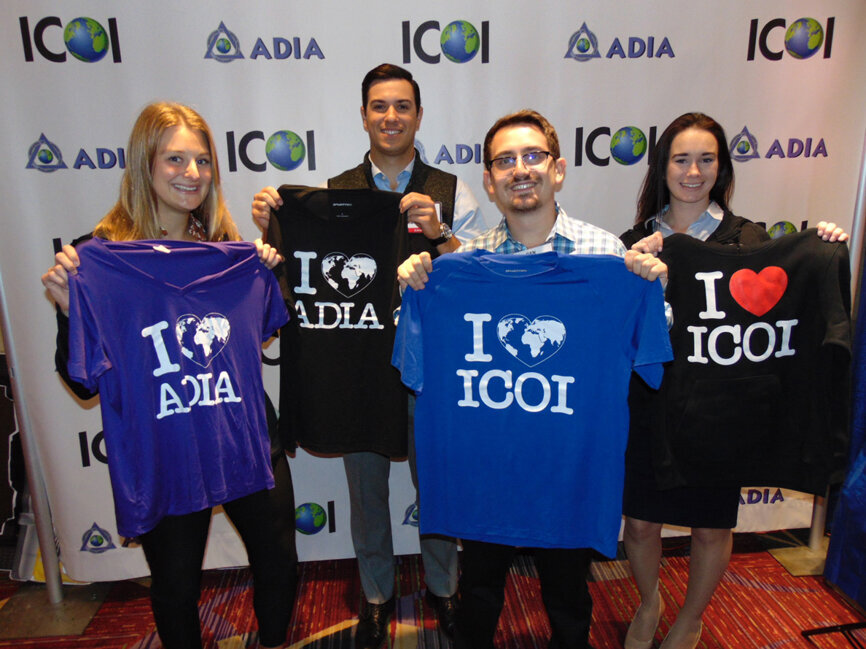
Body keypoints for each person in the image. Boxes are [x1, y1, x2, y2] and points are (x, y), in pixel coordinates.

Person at [398, 109, 667, 649]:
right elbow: (415, 358)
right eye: (505, 161)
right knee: (479, 595)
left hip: (569, 472)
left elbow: (650, 350)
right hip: (488, 471)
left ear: (558, 169)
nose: (520, 169)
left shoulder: (607, 256)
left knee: (569, 602)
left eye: (533, 156)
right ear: (489, 181)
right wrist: (416, 286)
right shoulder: (460, 268)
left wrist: (651, 288)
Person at [41, 102, 296, 649]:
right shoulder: (97, 258)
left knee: (279, 557)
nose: (192, 173)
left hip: (244, 432)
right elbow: (83, 382)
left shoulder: (227, 248)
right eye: (175, 159)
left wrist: (270, 273)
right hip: (167, 444)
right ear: (144, 163)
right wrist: (69, 312)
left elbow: (263, 328)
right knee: (177, 585)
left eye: (202, 161)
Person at [251, 64, 490, 647]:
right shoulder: (333, 191)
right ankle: (377, 595)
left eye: (402, 106)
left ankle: (444, 588)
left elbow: (480, 274)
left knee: (437, 487)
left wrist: (442, 234)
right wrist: (275, 226)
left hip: (433, 368)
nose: (391, 116)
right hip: (355, 365)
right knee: (365, 494)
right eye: (379, 106)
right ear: (363, 116)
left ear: (419, 115)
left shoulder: (451, 190)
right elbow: (305, 271)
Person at [618, 111, 847, 649]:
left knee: (711, 526)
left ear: (721, 168)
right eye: (681, 160)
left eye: (706, 159)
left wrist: (825, 244)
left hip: (718, 413)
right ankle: (649, 602)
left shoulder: (751, 240)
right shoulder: (633, 240)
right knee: (641, 522)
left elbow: (787, 306)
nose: (693, 172)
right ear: (662, 167)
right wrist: (632, 269)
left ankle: (691, 617)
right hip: (649, 402)